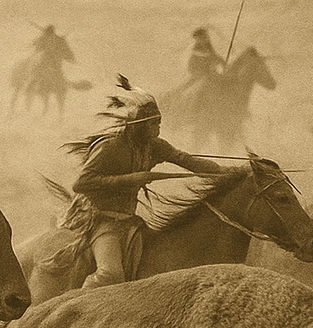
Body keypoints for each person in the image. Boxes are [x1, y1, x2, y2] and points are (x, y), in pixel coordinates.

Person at [58, 76, 223, 289]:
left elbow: (187, 161)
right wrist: (131, 179)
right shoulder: (110, 147)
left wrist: (232, 173)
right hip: (99, 220)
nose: (158, 130)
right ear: (138, 125)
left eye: (159, 124)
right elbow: (82, 184)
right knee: (110, 275)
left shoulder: (154, 146)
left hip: (129, 222)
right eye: (154, 124)